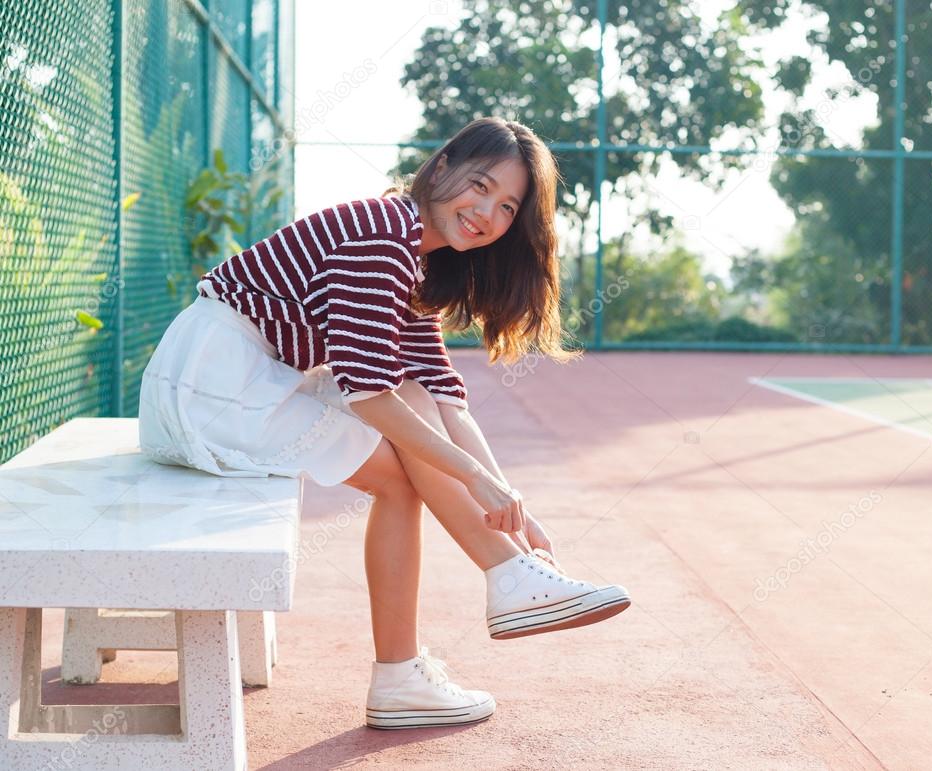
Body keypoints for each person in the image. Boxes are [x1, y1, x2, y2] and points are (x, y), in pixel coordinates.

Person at [138, 117, 630, 730]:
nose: (487, 213)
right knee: (399, 473)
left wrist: (516, 510)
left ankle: (504, 576)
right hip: (213, 384)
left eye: (507, 207)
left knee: (416, 407)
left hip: (229, 376)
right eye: (480, 186)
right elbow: (368, 394)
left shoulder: (415, 256)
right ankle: (433, 645)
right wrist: (479, 482)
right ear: (442, 166)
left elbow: (444, 397)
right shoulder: (383, 236)